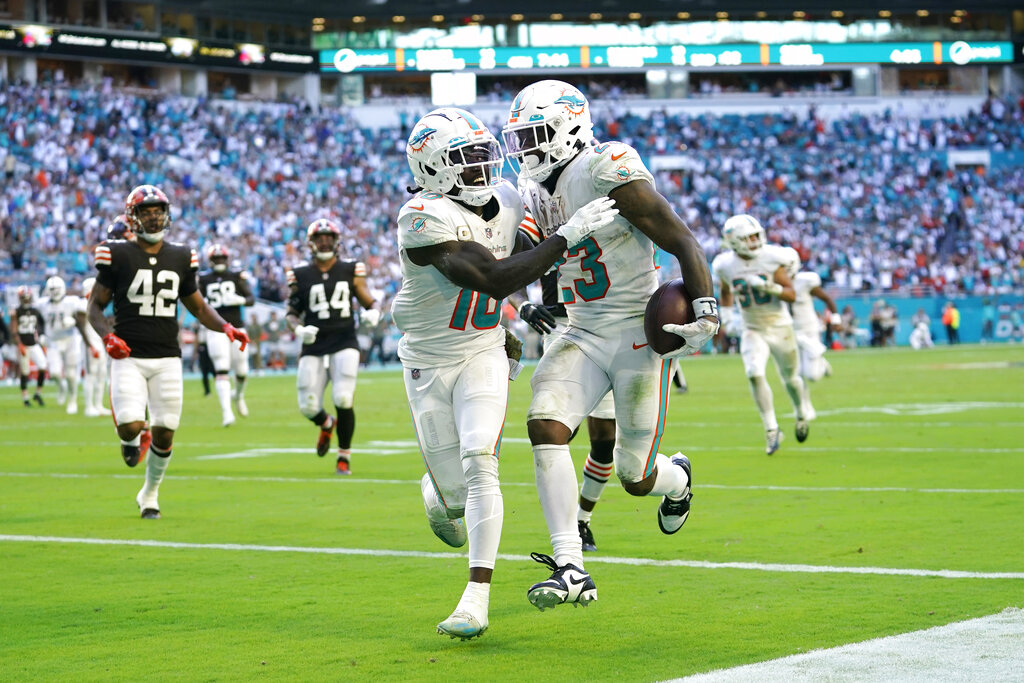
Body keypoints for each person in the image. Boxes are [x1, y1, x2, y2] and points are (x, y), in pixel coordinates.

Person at [394, 107, 618, 639]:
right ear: (432, 168)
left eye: (482, 155)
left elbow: (522, 255)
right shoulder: (421, 216)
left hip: (484, 350)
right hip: (428, 360)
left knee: (481, 459)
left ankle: (476, 598)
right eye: (465, 160)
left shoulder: (511, 199)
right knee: (454, 493)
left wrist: (534, 307)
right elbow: (493, 277)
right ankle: (437, 494)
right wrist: (566, 237)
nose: (480, 168)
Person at [502, 80, 718, 610]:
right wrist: (521, 303)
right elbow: (516, 261)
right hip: (579, 329)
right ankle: (570, 564)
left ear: (568, 127)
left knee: (634, 476)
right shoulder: (533, 192)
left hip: (635, 333)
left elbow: (681, 237)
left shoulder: (605, 167)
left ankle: (677, 478)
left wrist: (707, 311)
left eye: (534, 134)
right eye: (520, 137)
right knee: (545, 426)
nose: (525, 148)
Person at [88, 184, 249, 520]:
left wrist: (226, 327)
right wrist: (107, 338)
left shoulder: (181, 255)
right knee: (130, 426)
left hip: (167, 357)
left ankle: (150, 494)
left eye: (158, 210)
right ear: (133, 217)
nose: (154, 216)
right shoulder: (116, 253)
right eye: (146, 211)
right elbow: (94, 309)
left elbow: (199, 307)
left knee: (165, 430)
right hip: (128, 355)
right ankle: (132, 438)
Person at [516, 223, 616, 556]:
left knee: (604, 439)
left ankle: (582, 519)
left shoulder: (611, 203)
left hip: (607, 325)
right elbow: (506, 261)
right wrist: (522, 304)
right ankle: (566, 535)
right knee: (556, 432)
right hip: (559, 325)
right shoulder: (537, 211)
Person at [286, 218, 381, 475]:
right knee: (307, 406)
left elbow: (367, 298)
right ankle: (327, 424)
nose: (325, 242)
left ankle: (344, 457)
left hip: (344, 340)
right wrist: (298, 329)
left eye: (329, 238)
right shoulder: (300, 273)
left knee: (342, 396)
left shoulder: (350, 268)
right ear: (311, 243)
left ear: (337, 242)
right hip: (314, 342)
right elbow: (291, 311)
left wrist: (374, 311)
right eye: (320, 238)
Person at [713, 214, 814, 455]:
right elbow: (726, 290)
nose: (755, 241)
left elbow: (791, 294)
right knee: (754, 373)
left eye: (756, 235)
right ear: (735, 241)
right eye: (748, 237)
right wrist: (727, 317)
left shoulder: (772, 258)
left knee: (790, 379)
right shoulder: (724, 264)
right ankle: (771, 429)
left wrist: (771, 287)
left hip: (779, 326)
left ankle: (801, 412)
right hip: (751, 327)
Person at [198, 243, 255, 425]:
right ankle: (226, 413)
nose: (219, 261)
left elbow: (251, 299)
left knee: (242, 370)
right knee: (221, 368)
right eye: (216, 258)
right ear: (211, 260)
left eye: (222, 258)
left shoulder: (236, 275)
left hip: (237, 327)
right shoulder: (203, 279)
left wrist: (239, 299)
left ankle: (238, 396)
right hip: (216, 329)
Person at [41, 275, 101, 414]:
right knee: (55, 372)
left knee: (71, 374)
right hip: (52, 341)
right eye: (52, 289)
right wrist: (41, 334)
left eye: (56, 289)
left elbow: (81, 318)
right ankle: (61, 387)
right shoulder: (42, 304)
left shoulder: (72, 302)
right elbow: (39, 320)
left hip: (70, 339)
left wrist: (73, 321)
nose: (54, 292)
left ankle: (72, 400)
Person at [789, 268, 839, 382]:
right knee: (798, 372)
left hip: (808, 327)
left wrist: (836, 319)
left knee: (813, 376)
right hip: (792, 329)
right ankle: (803, 399)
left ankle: (821, 361)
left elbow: (827, 298)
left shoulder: (804, 282)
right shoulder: (776, 282)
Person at [11, 285, 48, 406]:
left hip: (34, 343)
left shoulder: (35, 311)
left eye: (27, 297)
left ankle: (38, 393)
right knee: (25, 371)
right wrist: (19, 344)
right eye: (24, 297)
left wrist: (41, 335)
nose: (26, 299)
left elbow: (42, 324)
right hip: (24, 345)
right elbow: (14, 329)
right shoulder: (16, 311)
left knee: (43, 366)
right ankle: (25, 398)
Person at [78, 277, 108, 416]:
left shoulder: (97, 305)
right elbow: (82, 328)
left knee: (102, 374)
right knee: (91, 375)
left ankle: (98, 404)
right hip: (91, 344)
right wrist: (90, 346)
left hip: (99, 343)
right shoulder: (83, 305)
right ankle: (89, 406)